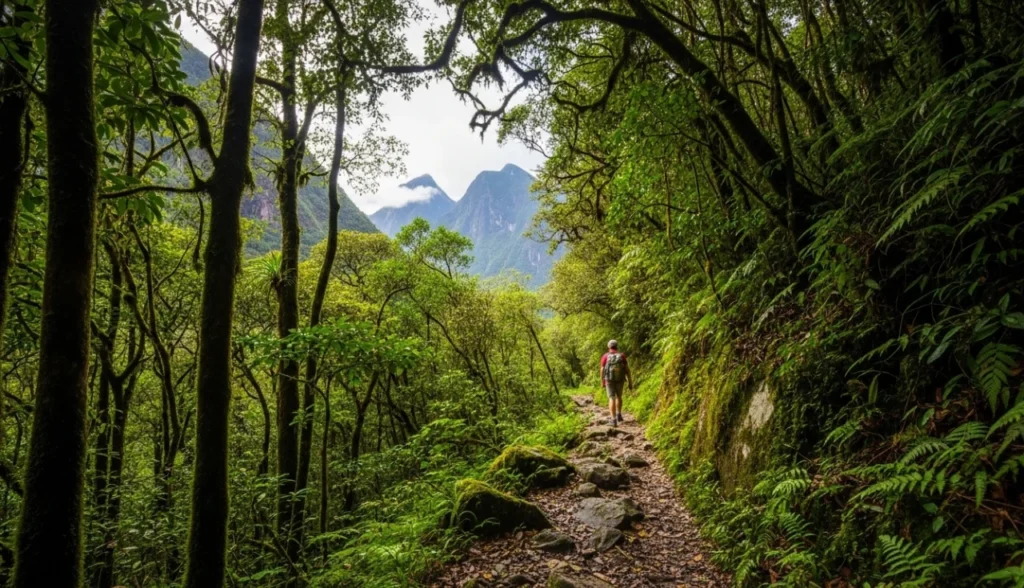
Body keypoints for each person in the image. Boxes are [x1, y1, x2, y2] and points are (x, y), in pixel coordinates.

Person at [600, 339, 632, 426]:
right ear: (617, 346)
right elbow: (627, 369)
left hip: (609, 380)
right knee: (619, 396)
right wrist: (630, 381)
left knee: (611, 397)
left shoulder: (605, 356)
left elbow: (602, 369)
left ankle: (613, 420)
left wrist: (602, 380)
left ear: (608, 347)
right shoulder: (622, 356)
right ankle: (619, 415)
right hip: (620, 379)